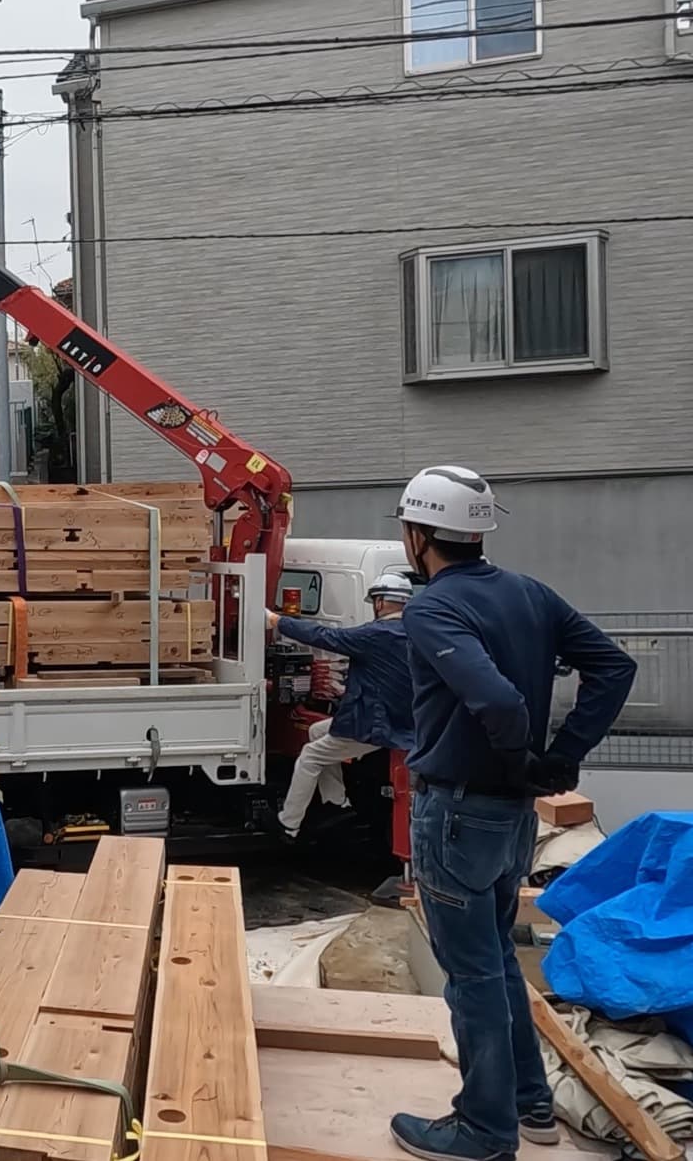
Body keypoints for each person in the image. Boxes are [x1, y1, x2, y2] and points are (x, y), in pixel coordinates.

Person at [386, 465, 637, 1161]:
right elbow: (614, 666)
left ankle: (484, 1130)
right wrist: (561, 757)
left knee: (472, 976)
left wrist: (523, 753)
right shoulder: (528, 593)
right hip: (511, 818)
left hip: (458, 813)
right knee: (496, 958)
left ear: (418, 535)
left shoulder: (432, 609)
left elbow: (497, 701)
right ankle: (531, 1102)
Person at [265, 571, 417, 840]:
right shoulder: (413, 632)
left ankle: (288, 824)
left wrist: (279, 621)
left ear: (380, 602)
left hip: (373, 724)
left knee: (310, 756)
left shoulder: (376, 634)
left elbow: (325, 636)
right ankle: (337, 803)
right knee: (316, 732)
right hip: (398, 720)